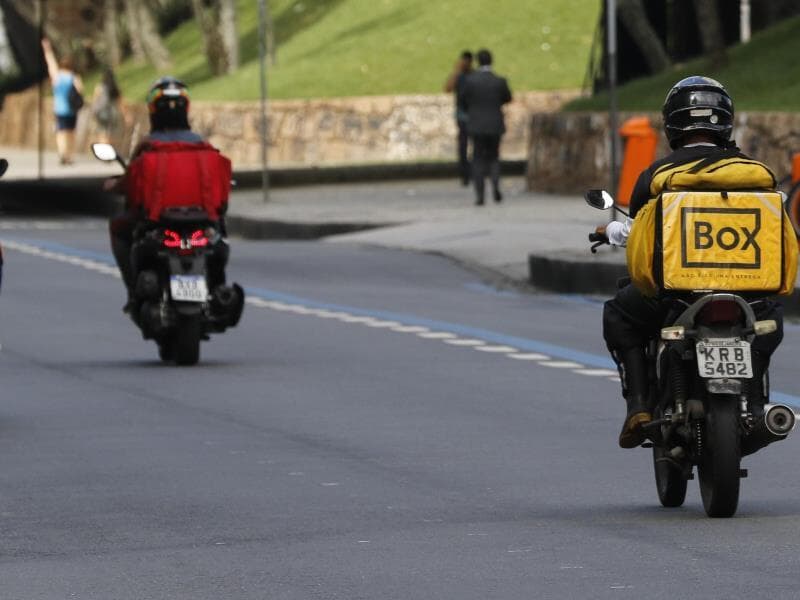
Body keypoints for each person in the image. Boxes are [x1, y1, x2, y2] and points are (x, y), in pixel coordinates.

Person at [596, 76, 790, 448]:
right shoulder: (756, 174)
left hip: (676, 296)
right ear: (725, 121)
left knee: (618, 314)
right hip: (748, 297)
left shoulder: (658, 176)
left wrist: (611, 232)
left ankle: (638, 406)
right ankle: (754, 401)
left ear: (673, 123)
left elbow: (639, 230)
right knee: (770, 324)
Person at [107, 76, 231, 311]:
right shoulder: (202, 146)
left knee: (118, 228)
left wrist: (114, 186)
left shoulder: (148, 147)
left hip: (160, 224)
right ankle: (218, 288)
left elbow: (131, 183)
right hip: (199, 225)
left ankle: (134, 292)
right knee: (220, 231)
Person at [458, 48, 512, 205]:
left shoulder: (470, 81)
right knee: (494, 157)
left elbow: (462, 101)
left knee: (478, 159)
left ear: (477, 61)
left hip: (476, 124)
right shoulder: (499, 81)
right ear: (491, 61)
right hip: (495, 123)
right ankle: (495, 186)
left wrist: (473, 110)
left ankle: (480, 195)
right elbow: (507, 98)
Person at [41, 37, 84, 165]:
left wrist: (47, 49)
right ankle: (69, 155)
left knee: (61, 132)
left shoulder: (57, 76)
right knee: (71, 133)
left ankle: (62, 153)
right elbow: (80, 90)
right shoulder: (74, 77)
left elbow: (50, 63)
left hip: (59, 109)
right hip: (72, 109)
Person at [444, 50, 473, 186]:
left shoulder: (473, 75)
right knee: (463, 145)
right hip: (462, 116)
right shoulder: (458, 76)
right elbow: (447, 88)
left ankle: (472, 172)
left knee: (473, 145)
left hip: (472, 115)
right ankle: (465, 174)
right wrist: (456, 71)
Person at [91, 67, 127, 145]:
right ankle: (108, 149)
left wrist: (93, 113)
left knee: (102, 134)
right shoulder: (116, 88)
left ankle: (103, 151)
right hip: (113, 114)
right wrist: (126, 115)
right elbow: (121, 103)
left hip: (101, 114)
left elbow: (94, 102)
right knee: (110, 134)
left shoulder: (99, 87)